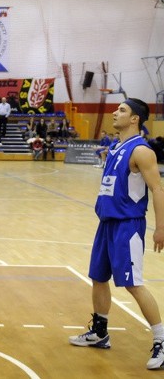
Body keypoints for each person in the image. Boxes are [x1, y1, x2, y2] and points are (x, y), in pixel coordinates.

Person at [69, 98, 164, 370]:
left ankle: (161, 340)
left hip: (128, 225)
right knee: (98, 277)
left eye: (122, 110)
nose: (115, 112)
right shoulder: (115, 147)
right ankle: (100, 332)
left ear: (135, 119)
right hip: (107, 224)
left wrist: (160, 228)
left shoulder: (142, 151)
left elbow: (158, 189)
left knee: (133, 284)